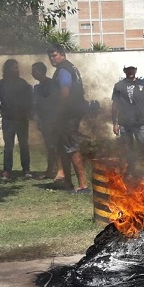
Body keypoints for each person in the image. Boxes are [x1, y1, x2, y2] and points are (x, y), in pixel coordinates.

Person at [47, 44, 89, 193]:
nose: (52, 59)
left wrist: (57, 114)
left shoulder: (64, 70)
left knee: (71, 148)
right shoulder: (70, 68)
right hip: (71, 113)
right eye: (50, 56)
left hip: (67, 115)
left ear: (63, 55)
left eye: (55, 55)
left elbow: (65, 93)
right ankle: (68, 183)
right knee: (63, 148)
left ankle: (83, 185)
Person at [0, 59, 33, 180]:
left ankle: (26, 170)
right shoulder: (0, 84)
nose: (18, 70)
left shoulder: (23, 83)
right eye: (15, 68)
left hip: (22, 120)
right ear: (8, 69)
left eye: (18, 67)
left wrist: (30, 114)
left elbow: (29, 101)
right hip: (8, 120)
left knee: (24, 145)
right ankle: (7, 171)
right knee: (8, 146)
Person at [111, 64, 144, 172]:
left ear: (136, 69)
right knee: (127, 149)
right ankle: (131, 171)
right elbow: (115, 105)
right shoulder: (119, 86)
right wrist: (115, 123)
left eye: (133, 68)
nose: (131, 71)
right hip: (124, 123)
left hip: (140, 122)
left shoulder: (143, 84)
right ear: (124, 70)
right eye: (128, 69)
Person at [31, 62, 63, 180]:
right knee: (49, 146)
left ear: (40, 71)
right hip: (44, 120)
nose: (32, 73)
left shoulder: (51, 84)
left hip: (53, 120)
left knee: (55, 146)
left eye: (33, 71)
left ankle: (60, 170)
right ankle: (50, 171)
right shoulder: (38, 87)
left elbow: (53, 102)